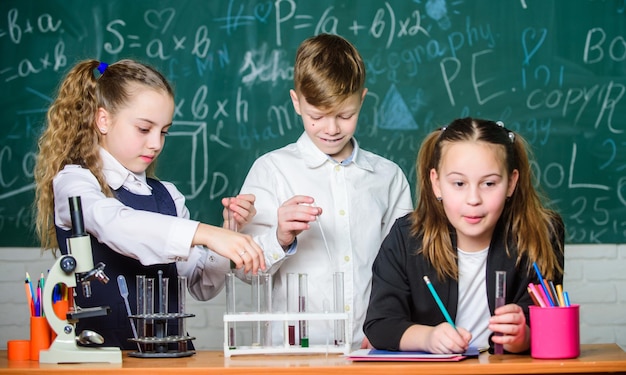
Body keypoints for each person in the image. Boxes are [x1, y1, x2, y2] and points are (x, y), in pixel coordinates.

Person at [33, 59, 265, 350]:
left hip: (170, 359)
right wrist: (207, 233)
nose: (156, 143)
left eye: (164, 131)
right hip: (104, 362)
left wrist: (227, 230)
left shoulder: (167, 195)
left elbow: (201, 285)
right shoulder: (75, 183)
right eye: (144, 129)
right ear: (102, 120)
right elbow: (116, 224)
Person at [236, 34, 414, 349]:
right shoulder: (272, 170)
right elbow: (246, 274)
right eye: (316, 116)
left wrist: (392, 331)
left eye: (345, 116)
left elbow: (405, 272)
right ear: (296, 102)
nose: (331, 129)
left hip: (372, 350)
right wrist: (280, 237)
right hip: (293, 355)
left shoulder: (388, 178)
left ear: (362, 99)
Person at [363, 117, 565, 354]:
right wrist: (428, 337)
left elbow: (546, 319)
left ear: (511, 183)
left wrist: (523, 336)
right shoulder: (406, 236)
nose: (473, 199)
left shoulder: (541, 233)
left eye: (489, 184)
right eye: (459, 183)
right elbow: (380, 325)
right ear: (436, 184)